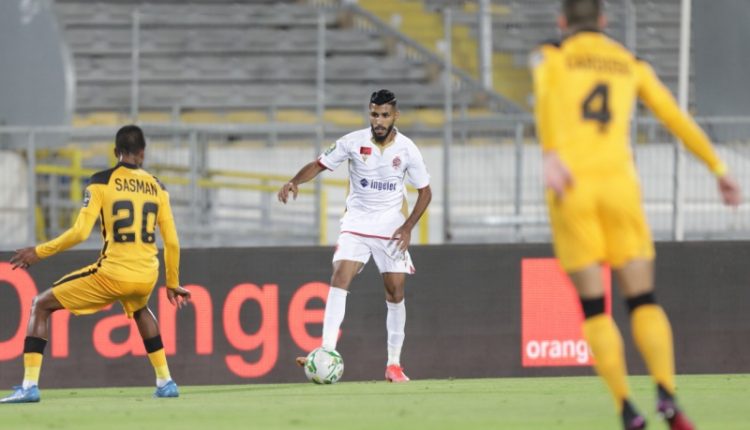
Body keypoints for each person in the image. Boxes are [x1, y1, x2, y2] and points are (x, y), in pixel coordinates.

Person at [531, 1, 741, 429]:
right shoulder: (629, 62)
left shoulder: (551, 55)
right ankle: (667, 394)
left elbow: (546, 98)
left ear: (562, 21)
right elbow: (673, 116)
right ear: (604, 21)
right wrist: (718, 168)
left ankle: (627, 408)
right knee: (643, 300)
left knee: (595, 308)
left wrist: (551, 152)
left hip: (572, 188)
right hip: (621, 189)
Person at [2, 125, 191, 403]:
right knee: (141, 309)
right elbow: (172, 242)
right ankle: (166, 381)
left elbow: (80, 233)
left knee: (40, 305)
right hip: (147, 273)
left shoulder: (101, 181)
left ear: (116, 152)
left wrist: (39, 252)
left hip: (113, 273)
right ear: (143, 153)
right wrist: (172, 283)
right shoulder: (158, 187)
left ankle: (29, 386)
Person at [278, 89, 432, 382]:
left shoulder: (408, 150)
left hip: (391, 227)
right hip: (356, 222)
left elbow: (425, 192)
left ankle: (394, 364)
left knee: (395, 292)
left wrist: (408, 227)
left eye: (384, 115)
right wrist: (294, 181)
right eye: (374, 114)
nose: (379, 120)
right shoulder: (352, 142)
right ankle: (326, 350)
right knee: (340, 276)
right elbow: (319, 164)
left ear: (395, 116)